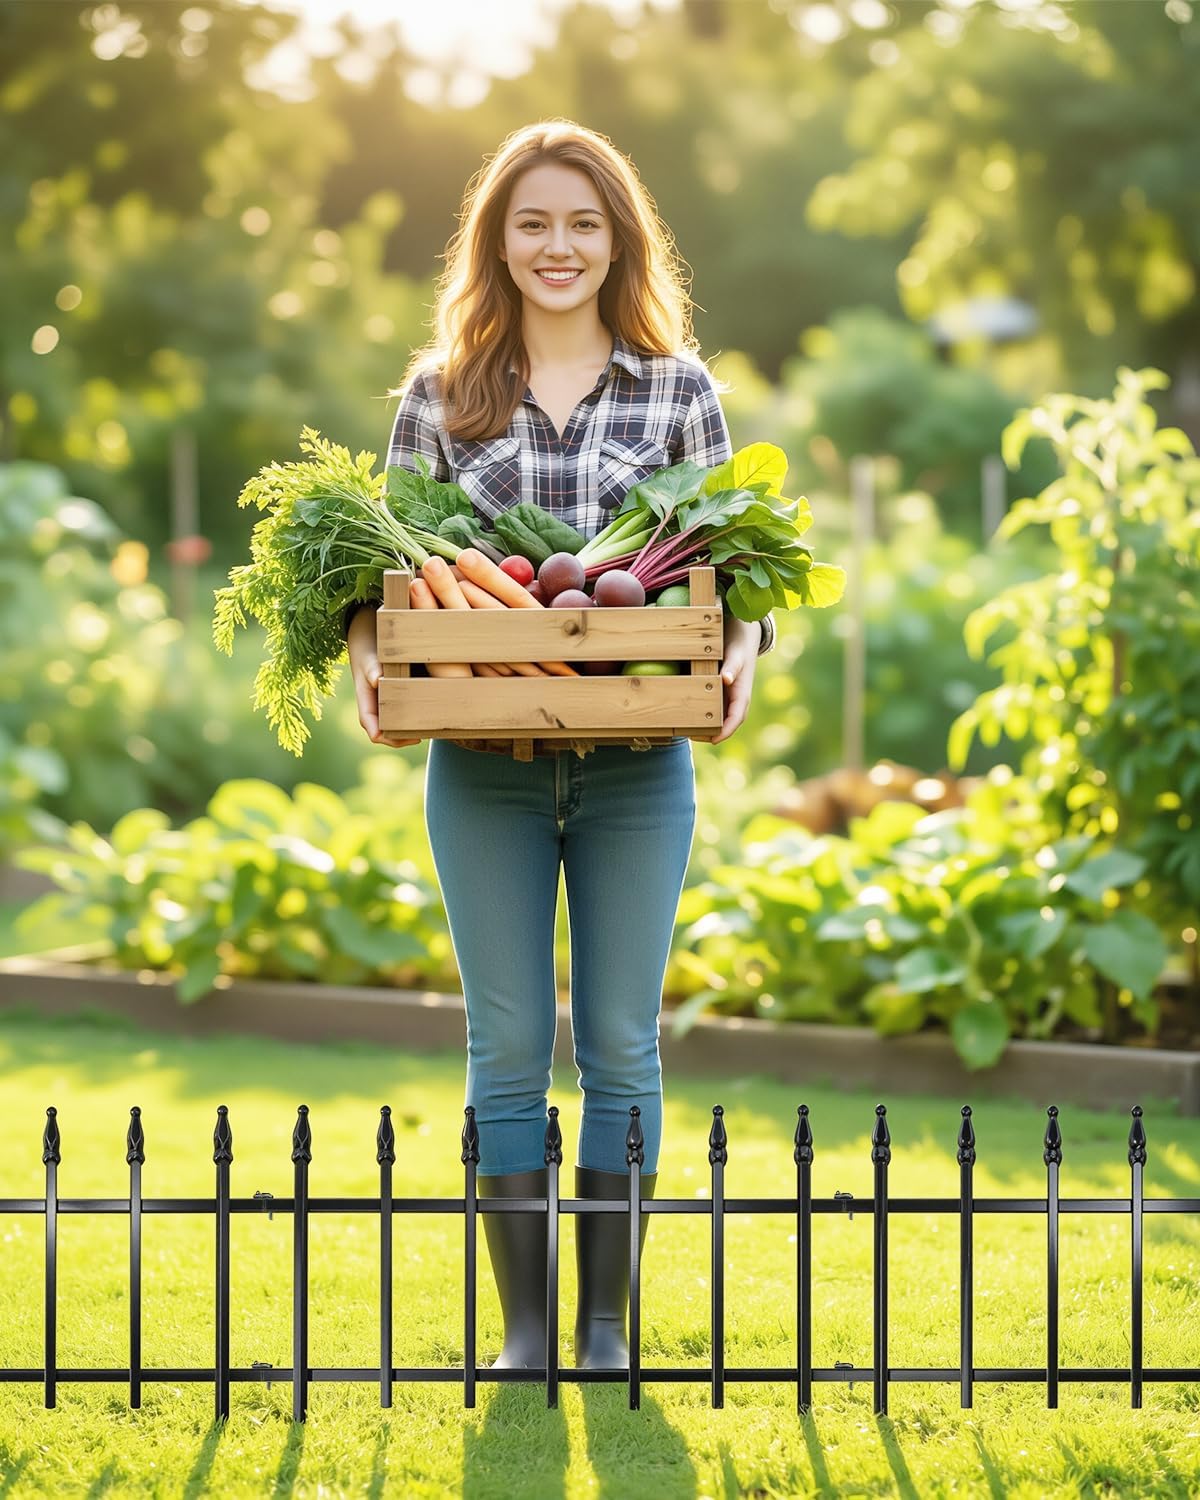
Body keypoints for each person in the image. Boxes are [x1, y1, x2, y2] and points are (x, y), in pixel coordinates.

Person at [344, 119, 775, 1373]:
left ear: (619, 240)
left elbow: (731, 570)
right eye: (532, 221)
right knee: (508, 1042)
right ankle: (526, 1330)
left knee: (623, 1042)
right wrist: (372, 649)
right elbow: (386, 569)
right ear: (497, 240)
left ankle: (601, 1327)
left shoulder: (679, 389)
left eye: (584, 222)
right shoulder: (440, 394)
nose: (559, 246)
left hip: (640, 767)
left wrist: (744, 646)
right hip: (482, 767)